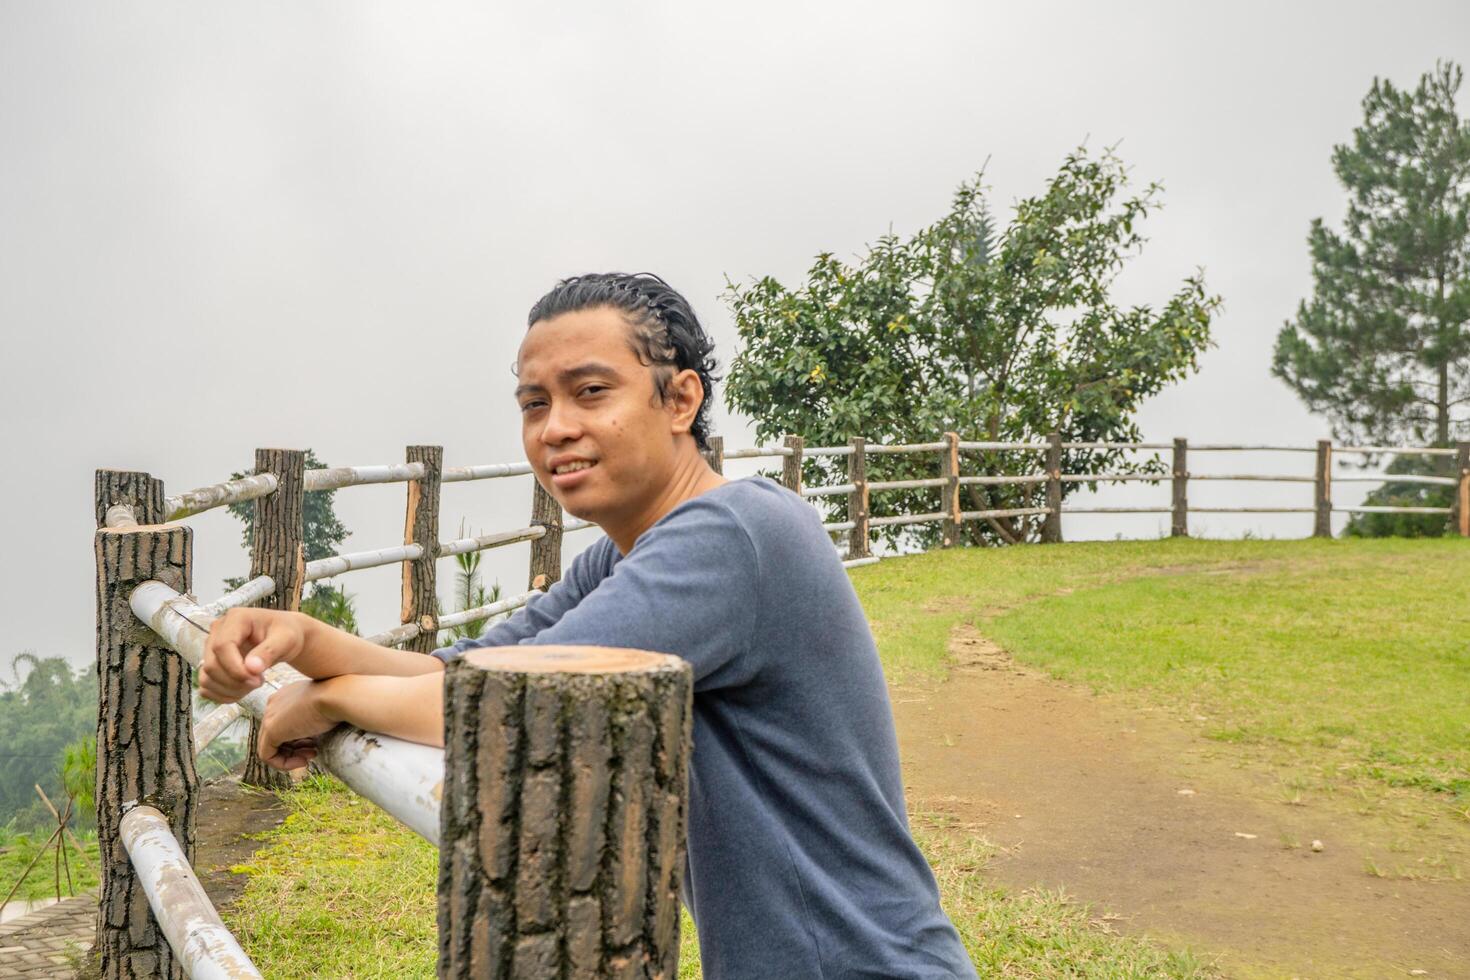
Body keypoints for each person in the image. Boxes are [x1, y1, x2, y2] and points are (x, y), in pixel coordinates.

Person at [200, 272, 976, 979]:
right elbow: (473, 669)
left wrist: (328, 701)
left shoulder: (733, 536)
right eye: (535, 404)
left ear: (680, 401)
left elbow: (516, 702)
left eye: (590, 392)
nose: (555, 428)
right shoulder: (626, 556)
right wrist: (300, 640)